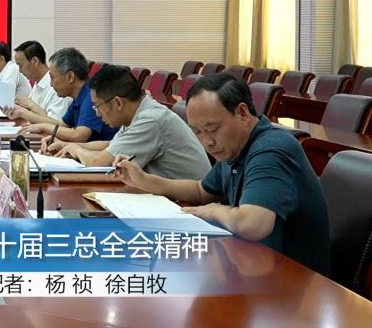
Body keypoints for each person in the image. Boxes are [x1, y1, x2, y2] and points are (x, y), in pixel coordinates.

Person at [112, 73, 330, 275]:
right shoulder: (234, 147)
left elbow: (252, 224)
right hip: (256, 266)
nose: (207, 142)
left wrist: (215, 210)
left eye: (212, 129)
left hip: (296, 283)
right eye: (198, 132)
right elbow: (200, 191)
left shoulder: (271, 149)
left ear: (242, 113)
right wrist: (143, 179)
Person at [45, 64, 210, 180]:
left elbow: (101, 162)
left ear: (117, 103)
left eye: (97, 106)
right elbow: (111, 145)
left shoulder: (150, 120)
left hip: (188, 205)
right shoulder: (137, 111)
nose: (96, 113)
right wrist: (67, 145)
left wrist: (75, 148)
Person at [17, 47, 118, 143]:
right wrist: (39, 125)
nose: (51, 84)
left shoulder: (91, 94)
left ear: (70, 76)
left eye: (52, 77)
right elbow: (63, 125)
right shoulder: (77, 96)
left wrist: (43, 126)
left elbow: (79, 136)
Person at [3, 40, 71, 123]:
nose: (20, 71)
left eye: (21, 65)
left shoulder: (57, 86)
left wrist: (29, 104)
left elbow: (55, 125)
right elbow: (32, 112)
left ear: (35, 61)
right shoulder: (38, 82)